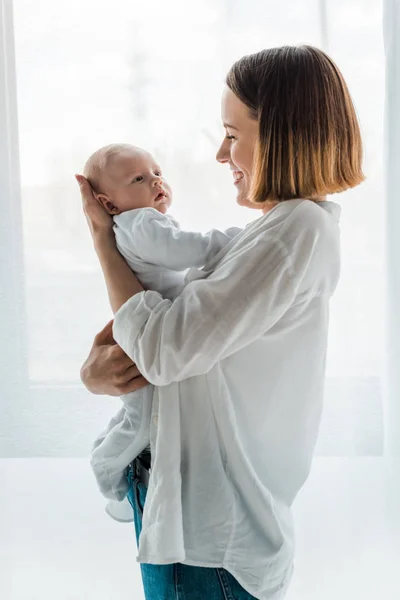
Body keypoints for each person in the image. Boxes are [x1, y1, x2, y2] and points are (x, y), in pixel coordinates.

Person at [76, 45, 364, 600]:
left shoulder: (298, 229)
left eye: (232, 134)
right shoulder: (269, 233)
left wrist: (103, 241)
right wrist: (96, 372)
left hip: (211, 536)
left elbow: (162, 352)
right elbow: (164, 344)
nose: (219, 153)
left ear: (281, 133)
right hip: (181, 508)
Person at [83, 143, 242, 521]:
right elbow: (184, 250)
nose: (156, 181)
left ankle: (107, 452)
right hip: (144, 341)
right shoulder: (140, 223)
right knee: (140, 421)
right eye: (138, 178)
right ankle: (108, 473)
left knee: (135, 415)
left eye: (156, 172)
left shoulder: (134, 225)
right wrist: (232, 240)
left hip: (143, 332)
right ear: (109, 204)